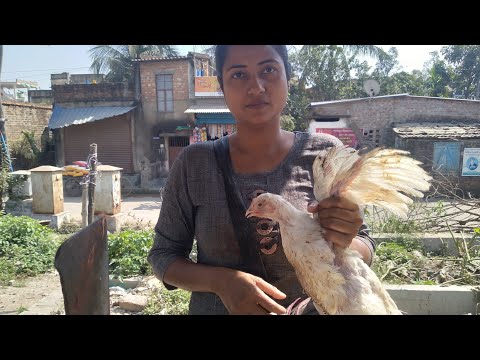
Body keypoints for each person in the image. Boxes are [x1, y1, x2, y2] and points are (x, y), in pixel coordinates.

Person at [147, 45, 376, 315]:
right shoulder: (194, 163)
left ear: (287, 77)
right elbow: (163, 256)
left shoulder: (326, 155)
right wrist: (223, 283)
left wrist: (344, 238)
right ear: (222, 86)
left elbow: (365, 244)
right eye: (238, 75)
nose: (256, 86)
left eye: (268, 69)